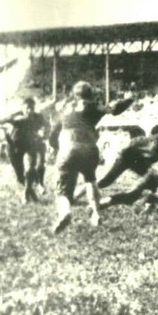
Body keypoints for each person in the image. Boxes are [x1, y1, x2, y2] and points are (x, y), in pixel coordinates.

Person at [48, 82, 133, 234]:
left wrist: (57, 147)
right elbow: (114, 109)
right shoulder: (94, 107)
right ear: (91, 95)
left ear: (74, 95)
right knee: (90, 180)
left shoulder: (65, 110)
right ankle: (95, 213)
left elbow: (53, 134)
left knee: (62, 191)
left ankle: (65, 212)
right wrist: (129, 100)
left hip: (68, 145)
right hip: (89, 147)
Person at [0, 97, 50, 203]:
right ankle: (29, 192)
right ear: (22, 108)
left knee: (30, 169)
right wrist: (12, 118)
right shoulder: (17, 116)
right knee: (20, 176)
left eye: (32, 108)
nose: (29, 111)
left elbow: (47, 125)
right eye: (27, 108)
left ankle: (26, 193)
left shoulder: (38, 117)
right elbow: (0, 121)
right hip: (14, 146)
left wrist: (44, 134)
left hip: (29, 144)